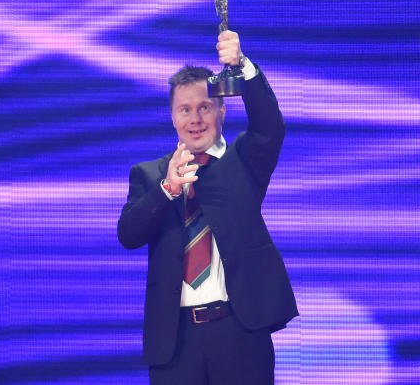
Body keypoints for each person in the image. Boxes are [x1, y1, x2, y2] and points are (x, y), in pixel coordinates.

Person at [118, 30, 297, 384]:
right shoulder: (149, 175)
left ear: (222, 110)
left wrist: (242, 67)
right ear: (172, 117)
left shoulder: (244, 160)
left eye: (205, 107)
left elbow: (270, 128)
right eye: (185, 110)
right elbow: (129, 234)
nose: (195, 119)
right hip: (175, 340)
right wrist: (167, 189)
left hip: (240, 331)